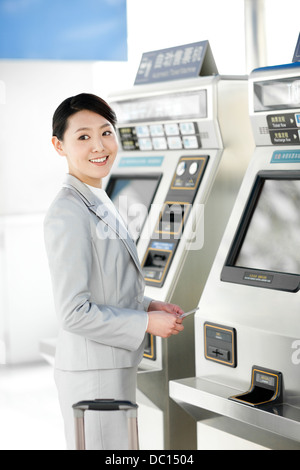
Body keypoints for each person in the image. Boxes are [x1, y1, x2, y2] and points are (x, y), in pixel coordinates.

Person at [44, 93, 185, 450]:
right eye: (83, 137)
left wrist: (148, 305)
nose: (99, 146)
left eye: (106, 132)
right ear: (59, 146)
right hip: (94, 379)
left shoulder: (96, 197)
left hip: (108, 368)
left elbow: (106, 284)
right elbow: (74, 313)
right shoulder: (68, 212)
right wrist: (145, 324)